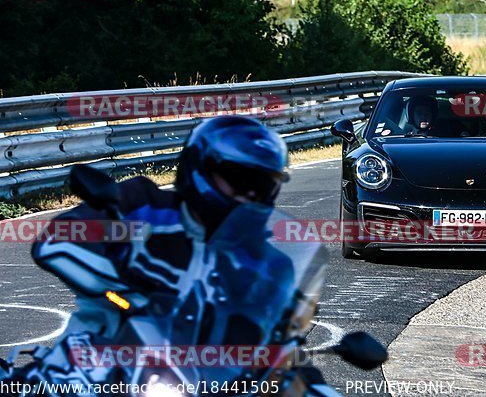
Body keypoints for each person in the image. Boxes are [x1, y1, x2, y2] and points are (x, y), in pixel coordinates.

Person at [26, 115, 292, 356]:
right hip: (95, 358)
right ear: (200, 166)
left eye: (263, 186)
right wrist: (134, 294)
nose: (251, 195)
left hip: (195, 377)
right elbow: (56, 241)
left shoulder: (267, 263)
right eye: (240, 180)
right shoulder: (142, 207)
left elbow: (277, 343)